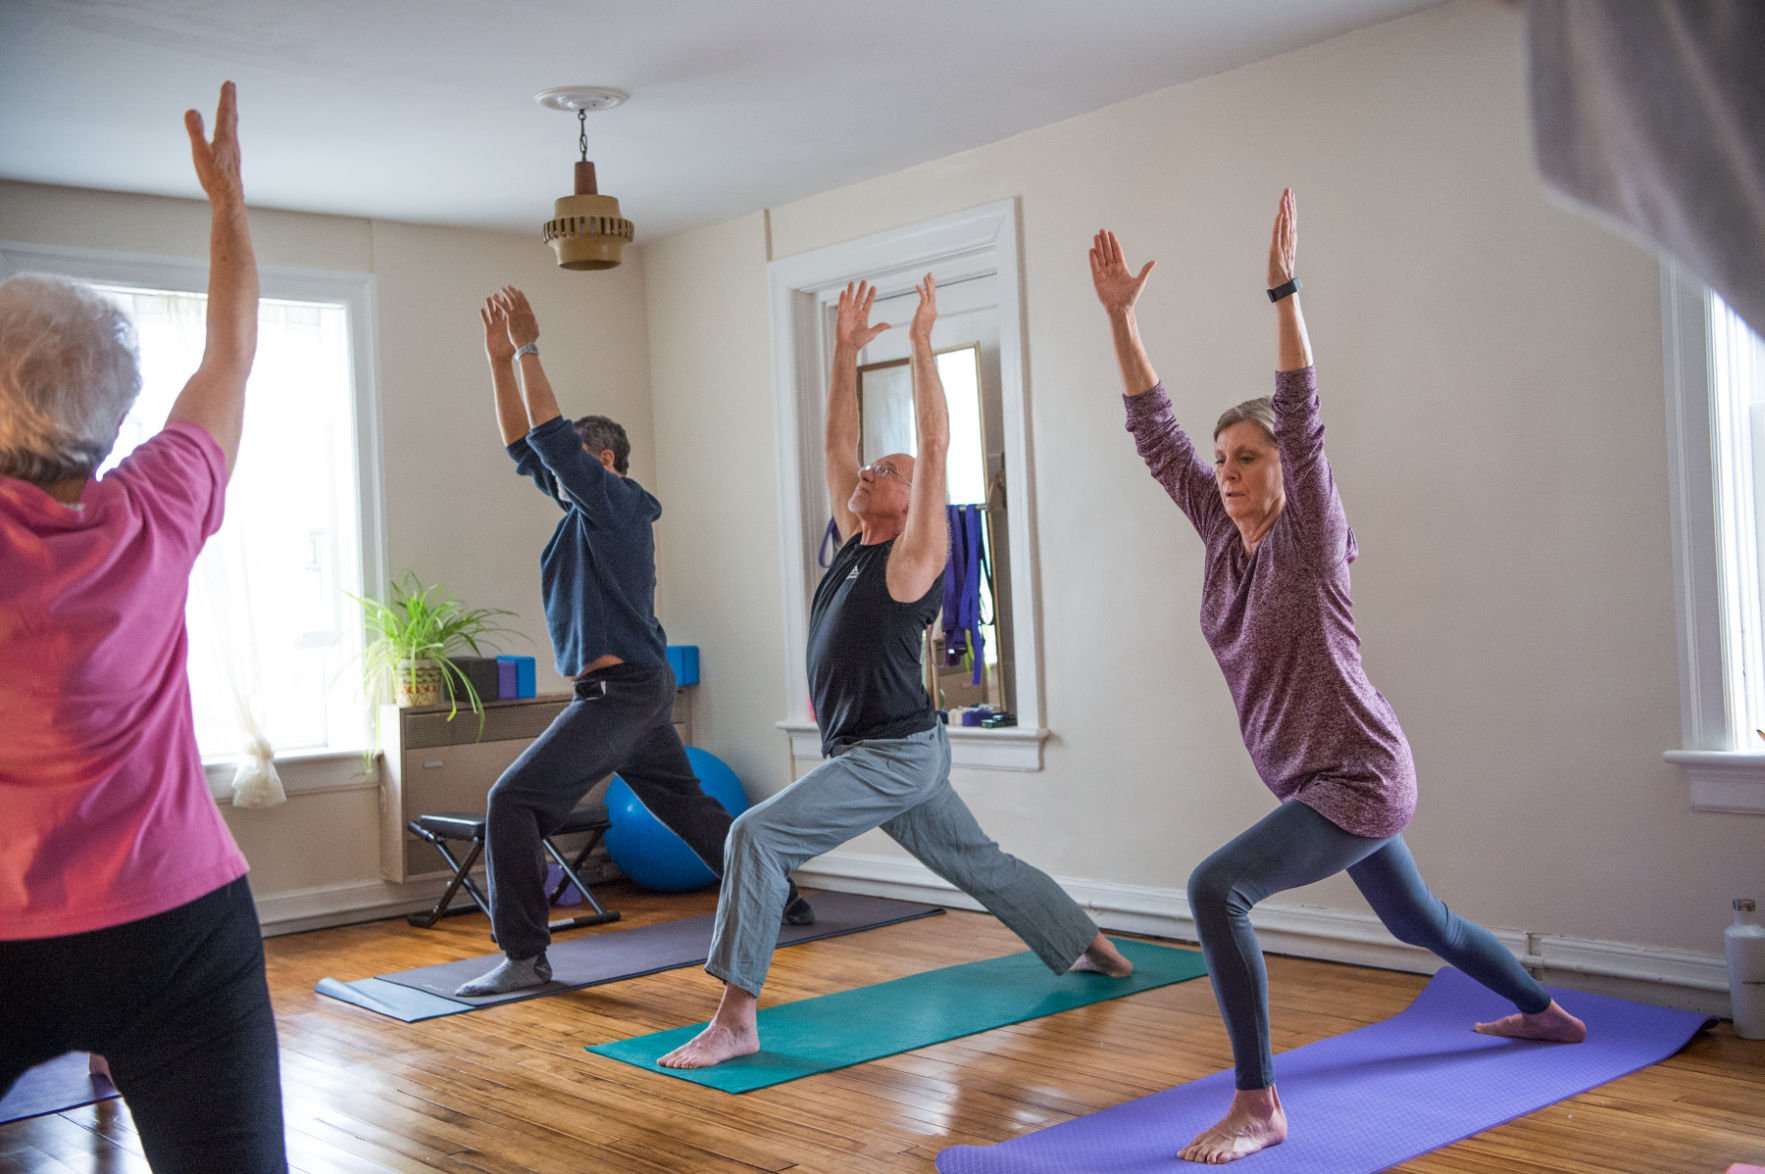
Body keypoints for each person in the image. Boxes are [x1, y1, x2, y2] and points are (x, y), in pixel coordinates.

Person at [1090, 191, 1587, 1165]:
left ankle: (1258, 1104)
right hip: (1320, 779)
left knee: (1214, 888)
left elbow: (1303, 417)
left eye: (1248, 458)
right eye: (1223, 459)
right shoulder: (1217, 533)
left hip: (1356, 776)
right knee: (1423, 921)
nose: (1226, 471)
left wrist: (1283, 291)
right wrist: (1119, 316)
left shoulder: (1308, 539)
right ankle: (1545, 1012)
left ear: (1285, 476)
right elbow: (1154, 432)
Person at [656, 275, 1133, 1070]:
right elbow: (834, 446)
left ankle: (736, 1018)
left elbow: (936, 448)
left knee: (756, 835)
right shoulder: (857, 538)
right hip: (888, 752)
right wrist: (843, 352)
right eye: (873, 467)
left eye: (887, 468)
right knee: (978, 863)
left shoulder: (916, 554)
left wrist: (920, 348)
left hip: (891, 755)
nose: (867, 471)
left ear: (915, 499)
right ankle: (1088, 941)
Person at [0, 83, 287, 1172]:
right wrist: (226, 206)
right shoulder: (157, 505)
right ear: (115, 416)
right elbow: (229, 354)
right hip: (178, 927)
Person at [454, 287, 811, 998]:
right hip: (634, 689)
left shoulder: (614, 504)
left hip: (622, 693)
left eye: (578, 465)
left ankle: (525, 957)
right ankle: (784, 897)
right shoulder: (581, 518)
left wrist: (528, 349)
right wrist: (498, 363)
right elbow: (526, 449)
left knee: (512, 802)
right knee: (686, 804)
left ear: (607, 460)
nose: (561, 478)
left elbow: (552, 444)